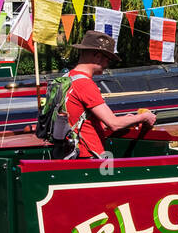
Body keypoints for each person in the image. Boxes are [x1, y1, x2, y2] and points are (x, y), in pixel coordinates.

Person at [64, 30, 157, 159]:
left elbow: (77, 118)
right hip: (87, 156)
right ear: (97, 56)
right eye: (108, 59)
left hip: (68, 153)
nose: (107, 64)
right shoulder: (85, 85)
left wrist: (128, 120)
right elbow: (114, 124)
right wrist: (144, 117)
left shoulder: (67, 78)